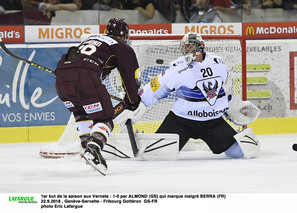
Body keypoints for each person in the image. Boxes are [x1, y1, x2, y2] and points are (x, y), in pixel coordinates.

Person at [139, 32, 260, 159]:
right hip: (181, 121)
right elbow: (156, 88)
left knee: (240, 152)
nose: (187, 50)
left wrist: (227, 104)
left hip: (212, 122)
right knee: (155, 154)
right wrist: (138, 101)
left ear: (199, 46)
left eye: (189, 46)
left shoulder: (217, 62)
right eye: (185, 47)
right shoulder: (177, 67)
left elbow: (220, 89)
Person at [54, 18, 142, 175]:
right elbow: (129, 77)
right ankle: (94, 148)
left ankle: (86, 143)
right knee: (105, 119)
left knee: (81, 112)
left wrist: (66, 74)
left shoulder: (91, 38)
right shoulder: (122, 46)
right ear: (124, 35)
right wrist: (132, 100)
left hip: (61, 76)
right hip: (85, 77)